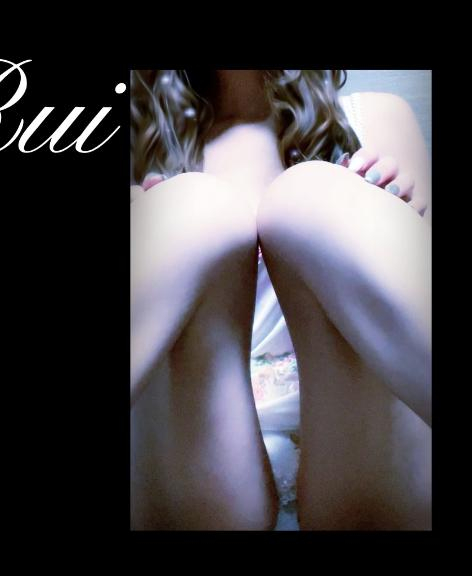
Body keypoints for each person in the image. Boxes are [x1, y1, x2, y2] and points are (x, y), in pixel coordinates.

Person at [130, 69, 431, 530]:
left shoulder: (375, 118)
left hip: (367, 463)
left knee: (309, 196)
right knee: (194, 208)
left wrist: (388, 218)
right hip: (190, 479)